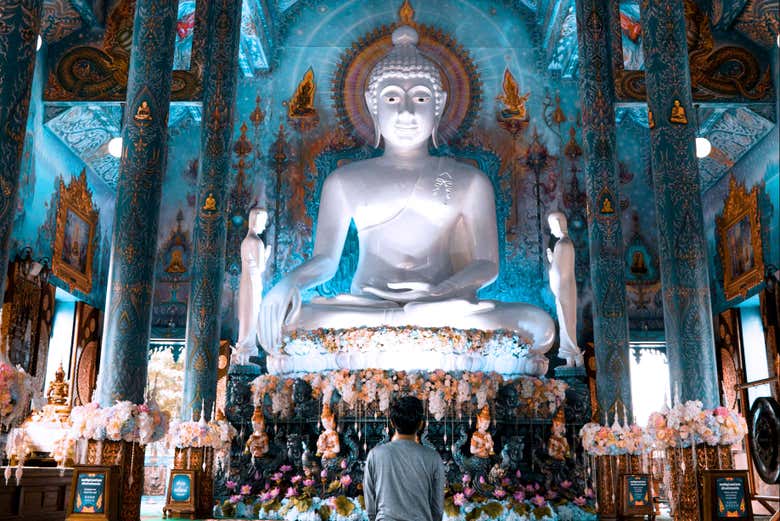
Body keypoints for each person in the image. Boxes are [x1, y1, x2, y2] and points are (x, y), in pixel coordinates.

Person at [258, 25, 554, 376]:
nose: (407, 113)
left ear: (439, 107)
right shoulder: (344, 180)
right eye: (393, 98)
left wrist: (443, 292)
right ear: (373, 105)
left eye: (421, 98)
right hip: (365, 306)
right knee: (286, 324)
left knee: (539, 325)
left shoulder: (469, 179)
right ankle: (405, 321)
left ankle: (409, 321)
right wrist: (288, 283)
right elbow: (325, 261)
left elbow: (487, 265)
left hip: (442, 305)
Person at [364, 396, 445, 521]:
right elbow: (437, 509)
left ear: (392, 423)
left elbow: (370, 507)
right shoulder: (433, 458)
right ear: (421, 424)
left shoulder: (375, 455)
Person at [546, 212, 584, 367]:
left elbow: (557, 270)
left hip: (563, 288)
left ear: (557, 224)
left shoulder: (562, 244)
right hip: (566, 287)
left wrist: (551, 260)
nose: (551, 231)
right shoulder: (566, 243)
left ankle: (575, 354)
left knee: (567, 323)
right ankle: (570, 359)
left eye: (552, 226)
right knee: (567, 323)